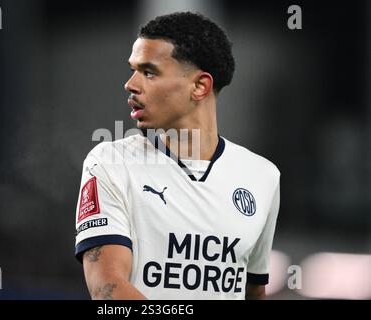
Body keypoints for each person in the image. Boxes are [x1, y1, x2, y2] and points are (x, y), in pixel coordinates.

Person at [74, 12, 280, 300]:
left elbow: (253, 290)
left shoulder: (263, 176)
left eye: (149, 72)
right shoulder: (110, 163)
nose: (130, 84)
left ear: (199, 86)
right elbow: (107, 290)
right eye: (133, 70)